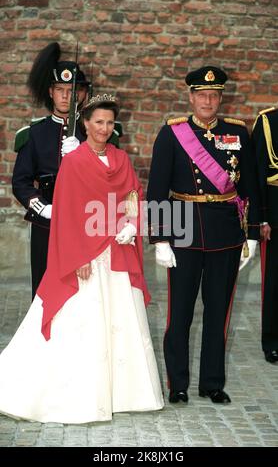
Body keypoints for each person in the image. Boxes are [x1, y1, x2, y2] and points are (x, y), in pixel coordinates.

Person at [0, 94, 164, 423]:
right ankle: (76, 393)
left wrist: (131, 226)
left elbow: (133, 196)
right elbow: (68, 215)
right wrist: (76, 257)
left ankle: (122, 393)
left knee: (119, 321)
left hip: (115, 251)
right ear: (86, 124)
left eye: (109, 123)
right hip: (85, 255)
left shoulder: (122, 159)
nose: (104, 128)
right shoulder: (73, 162)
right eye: (98, 122)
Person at [147, 66, 260, 405]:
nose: (208, 101)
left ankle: (212, 382)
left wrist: (251, 234)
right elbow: (156, 188)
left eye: (214, 95)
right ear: (191, 97)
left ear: (221, 98)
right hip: (183, 226)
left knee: (218, 312)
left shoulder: (238, 133)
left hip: (225, 230)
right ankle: (177, 383)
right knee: (180, 313)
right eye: (202, 95)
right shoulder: (172, 134)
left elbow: (251, 185)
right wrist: (160, 238)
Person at [12, 42, 122, 299]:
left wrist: (85, 150)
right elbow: (21, 182)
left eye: (72, 91)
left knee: (86, 294)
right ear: (50, 92)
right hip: (47, 221)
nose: (65, 96)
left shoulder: (99, 133)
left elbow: (111, 177)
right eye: (60, 90)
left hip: (88, 221)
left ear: (83, 94)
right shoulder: (34, 134)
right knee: (44, 289)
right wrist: (43, 207)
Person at [249, 107, 278, 364]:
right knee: (274, 280)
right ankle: (272, 341)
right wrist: (262, 217)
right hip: (276, 212)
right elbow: (258, 172)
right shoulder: (268, 121)